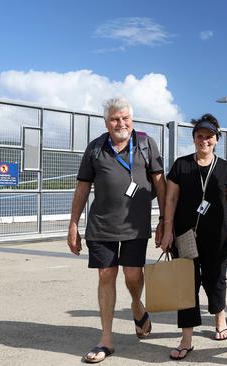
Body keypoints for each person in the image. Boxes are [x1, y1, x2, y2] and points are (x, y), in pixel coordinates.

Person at [67, 97, 166, 363]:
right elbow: (82, 188)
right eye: (114, 119)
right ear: (106, 122)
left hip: (135, 226)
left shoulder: (145, 144)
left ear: (132, 120)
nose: (120, 123)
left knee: (133, 275)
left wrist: (165, 220)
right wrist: (74, 224)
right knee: (106, 275)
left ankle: (136, 304)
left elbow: (160, 184)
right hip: (101, 226)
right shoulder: (96, 147)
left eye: (125, 118)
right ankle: (106, 338)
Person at [160, 113, 227, 361]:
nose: (204, 140)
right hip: (185, 236)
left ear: (216, 139)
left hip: (218, 236)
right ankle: (186, 338)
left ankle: (220, 317)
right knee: (186, 286)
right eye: (200, 136)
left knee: (215, 280)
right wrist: (167, 231)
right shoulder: (181, 165)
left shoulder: (225, 167)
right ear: (194, 138)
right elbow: (171, 199)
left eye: (209, 136)